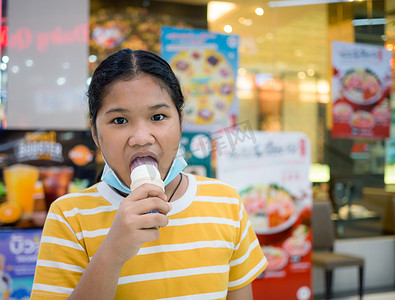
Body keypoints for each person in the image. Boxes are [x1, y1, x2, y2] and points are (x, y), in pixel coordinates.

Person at [31, 49, 267, 299]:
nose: (141, 138)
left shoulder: (226, 202)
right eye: (120, 120)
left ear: (180, 122)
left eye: (158, 116)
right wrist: (113, 252)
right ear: (94, 132)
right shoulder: (69, 216)